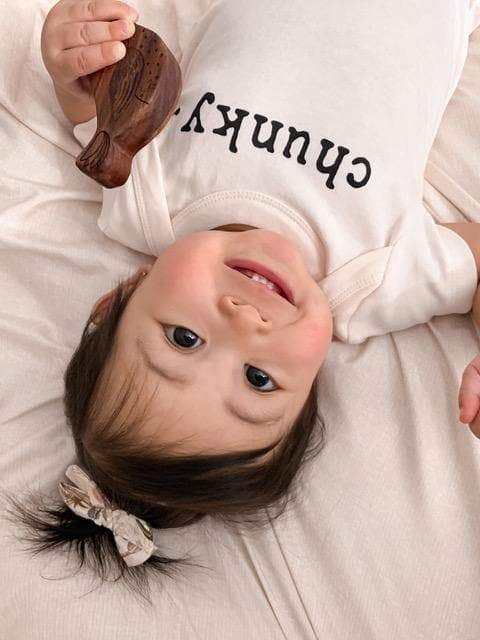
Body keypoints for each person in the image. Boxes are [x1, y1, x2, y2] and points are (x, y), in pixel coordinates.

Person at [6, 0, 480, 602]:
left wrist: (73, 63)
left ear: (120, 296)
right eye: (258, 379)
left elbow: (100, 105)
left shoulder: (147, 201)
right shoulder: (369, 282)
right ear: (311, 387)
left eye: (184, 339)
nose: (243, 322)